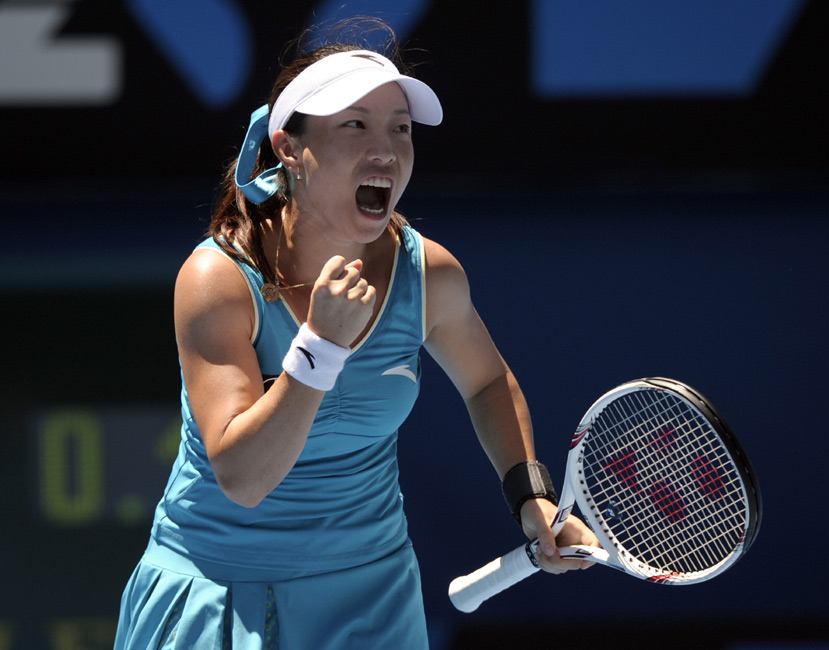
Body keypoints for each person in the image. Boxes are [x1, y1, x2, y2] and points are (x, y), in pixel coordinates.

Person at [113, 20, 597, 650]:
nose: (387, 151)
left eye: (401, 128)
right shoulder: (217, 280)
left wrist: (532, 498)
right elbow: (243, 479)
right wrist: (319, 348)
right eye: (355, 125)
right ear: (289, 149)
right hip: (221, 592)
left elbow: (486, 382)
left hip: (373, 599)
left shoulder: (430, 276)